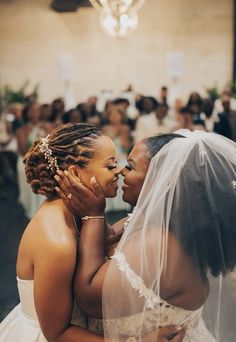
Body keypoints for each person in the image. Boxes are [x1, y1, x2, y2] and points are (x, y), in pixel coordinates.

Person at [0, 123, 184, 342]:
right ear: (76, 173)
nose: (118, 171)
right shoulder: (56, 240)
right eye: (110, 165)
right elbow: (57, 334)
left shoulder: (79, 213)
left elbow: (108, 235)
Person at [56, 131, 236, 341]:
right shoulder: (153, 223)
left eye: (130, 166)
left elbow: (90, 297)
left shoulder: (160, 245)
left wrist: (93, 215)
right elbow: (106, 238)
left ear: (160, 179)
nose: (122, 171)